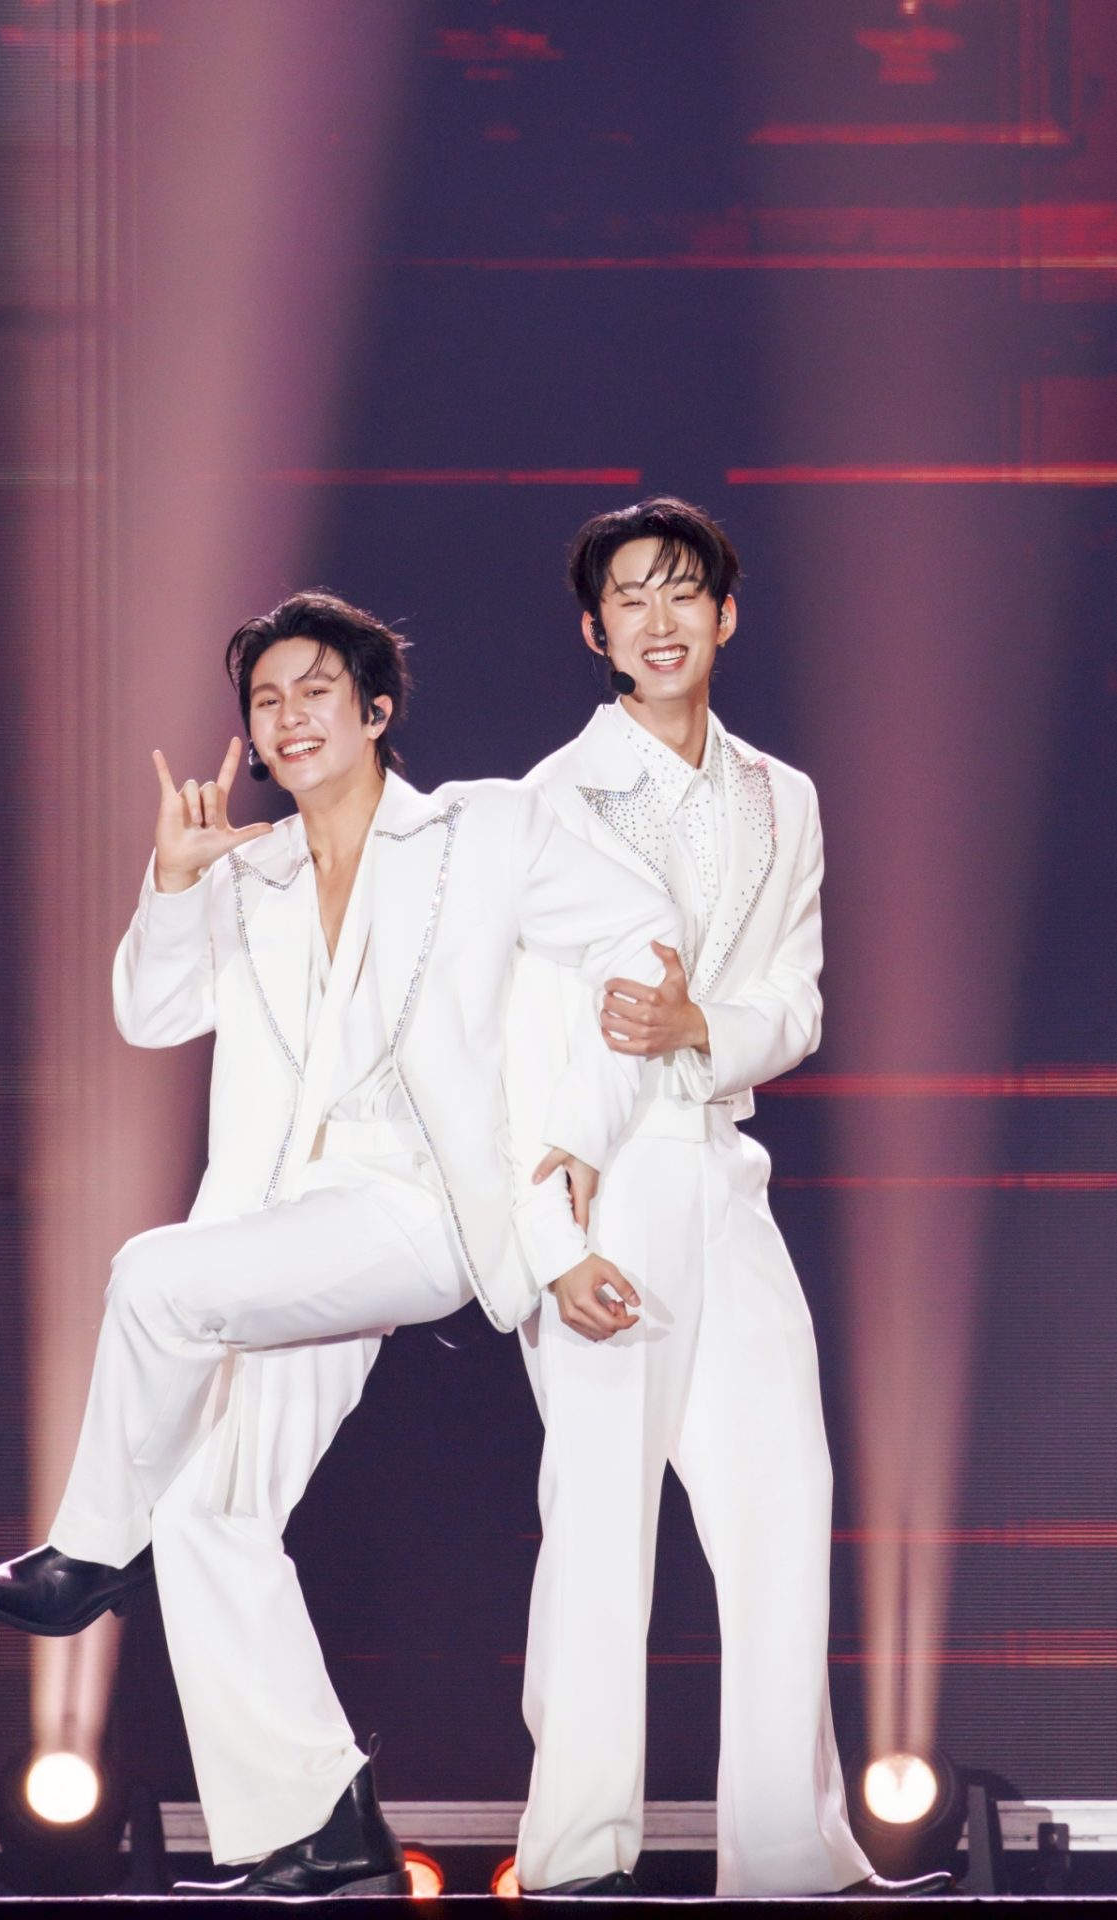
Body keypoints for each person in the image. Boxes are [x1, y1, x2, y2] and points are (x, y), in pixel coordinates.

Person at [0, 589, 679, 1898]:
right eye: (265, 701)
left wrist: (594, 1108)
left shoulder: (479, 829)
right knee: (212, 1512)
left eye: (313, 692)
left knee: (149, 1277)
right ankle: (320, 1824)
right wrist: (176, 882)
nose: (287, 718)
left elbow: (633, 926)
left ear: (375, 709)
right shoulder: (249, 873)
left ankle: (91, 1550)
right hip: (284, 1230)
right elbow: (151, 1012)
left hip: (422, 1207)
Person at [503, 498, 949, 1898]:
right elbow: (516, 1035)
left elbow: (795, 1006)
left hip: (717, 1161)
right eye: (629, 599)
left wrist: (704, 1027)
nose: (658, 620)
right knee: (601, 1521)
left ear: (725, 614)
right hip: (600, 1177)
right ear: (595, 632)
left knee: (782, 1496)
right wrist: (548, 1238)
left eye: (681, 592)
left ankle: (789, 1853)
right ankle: (576, 1854)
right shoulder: (549, 800)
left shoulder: (782, 796)